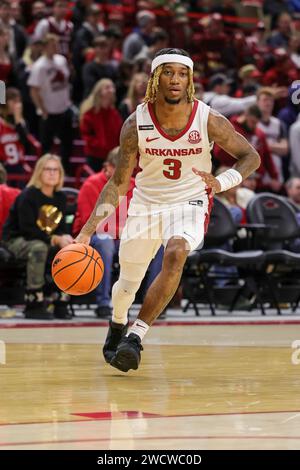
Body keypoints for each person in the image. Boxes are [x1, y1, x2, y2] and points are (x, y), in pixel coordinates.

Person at [75, 48, 260, 372]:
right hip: (146, 204)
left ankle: (136, 336)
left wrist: (221, 182)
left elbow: (250, 157)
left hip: (190, 201)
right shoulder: (136, 124)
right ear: (155, 79)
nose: (175, 79)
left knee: (176, 252)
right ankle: (118, 322)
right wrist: (87, 231)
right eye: (168, 72)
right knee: (128, 284)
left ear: (189, 80)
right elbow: (118, 183)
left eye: (182, 73)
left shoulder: (208, 119)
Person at [2, 154, 73, 319]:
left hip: (42, 239)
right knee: (39, 248)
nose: (52, 173)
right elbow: (27, 229)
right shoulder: (28, 195)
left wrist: (66, 238)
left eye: (56, 170)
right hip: (16, 239)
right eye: (48, 169)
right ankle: (34, 302)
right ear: (39, 172)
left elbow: (61, 227)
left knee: (70, 249)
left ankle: (60, 301)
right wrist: (55, 239)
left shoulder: (61, 198)